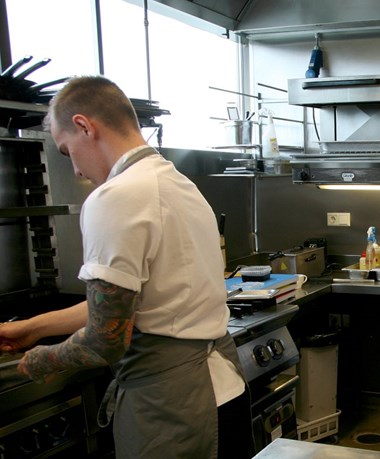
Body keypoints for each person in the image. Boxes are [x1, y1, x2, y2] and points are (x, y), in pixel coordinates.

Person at [0, 76, 251, 459]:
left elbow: (106, 339)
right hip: (223, 393)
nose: (77, 172)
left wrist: (41, 360)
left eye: (67, 152)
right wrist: (31, 329)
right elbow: (128, 302)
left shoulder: (114, 197)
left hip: (173, 409)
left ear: (85, 126)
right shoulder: (179, 186)